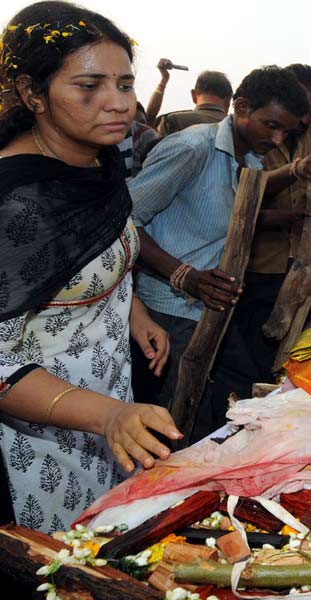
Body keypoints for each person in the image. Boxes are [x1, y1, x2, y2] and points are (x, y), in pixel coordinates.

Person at [0, 1, 182, 533]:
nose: (117, 104)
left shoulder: (94, 159)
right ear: (32, 93)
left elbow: (98, 253)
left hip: (106, 395)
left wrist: (132, 311)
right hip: (36, 426)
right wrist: (105, 416)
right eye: (89, 87)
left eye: (125, 85)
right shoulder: (18, 203)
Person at [129, 66, 311, 440]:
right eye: (271, 125)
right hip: (167, 311)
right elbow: (125, 222)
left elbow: (233, 210)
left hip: (210, 307)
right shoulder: (192, 148)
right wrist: (183, 275)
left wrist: (295, 174)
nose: (278, 137)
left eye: (288, 130)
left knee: (223, 402)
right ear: (240, 106)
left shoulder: (248, 158)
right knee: (179, 422)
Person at [149, 68, 233, 137]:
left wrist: (163, 81)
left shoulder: (174, 121)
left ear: (193, 95)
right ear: (228, 100)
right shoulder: (237, 128)